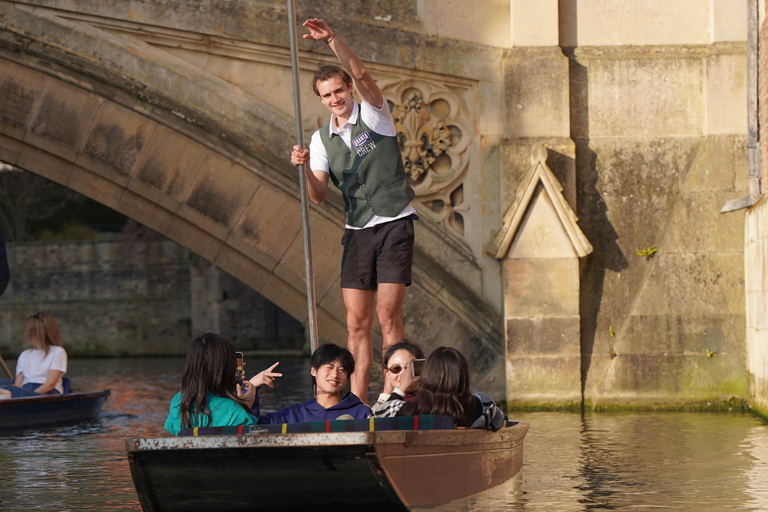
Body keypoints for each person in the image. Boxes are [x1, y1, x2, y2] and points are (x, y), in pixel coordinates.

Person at [290, 18, 417, 401]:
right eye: (327, 95)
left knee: (387, 317)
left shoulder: (375, 112)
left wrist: (332, 40)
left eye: (339, 91)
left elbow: (361, 71)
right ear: (321, 100)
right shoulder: (320, 137)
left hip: (394, 222)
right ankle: (359, 403)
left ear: (348, 89)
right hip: (358, 229)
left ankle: (395, 394)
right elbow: (316, 195)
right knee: (356, 323)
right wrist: (304, 167)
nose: (335, 100)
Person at [164, 333, 282, 436]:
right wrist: (247, 407)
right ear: (226, 369)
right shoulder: (234, 410)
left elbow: (174, 429)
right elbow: (250, 441)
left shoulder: (179, 401)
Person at [251, 343, 371, 424]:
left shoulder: (362, 414)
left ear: (347, 378)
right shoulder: (293, 416)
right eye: (329, 367)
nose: (335, 375)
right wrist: (251, 388)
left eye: (341, 370)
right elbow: (252, 428)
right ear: (314, 370)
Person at [396, 346, 507, 430]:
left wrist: (401, 388)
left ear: (427, 376)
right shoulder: (479, 407)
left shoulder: (410, 409)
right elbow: (501, 418)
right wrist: (461, 382)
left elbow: (380, 415)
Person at [0, 313, 68, 398]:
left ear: (37, 332)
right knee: (7, 390)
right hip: (25, 391)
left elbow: (49, 385)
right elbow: (18, 385)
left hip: (47, 393)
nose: (25, 334)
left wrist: (28, 396)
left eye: (28, 330)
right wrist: (21, 394)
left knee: (7, 392)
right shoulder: (24, 355)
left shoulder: (58, 352)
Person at [371, 339, 424, 414]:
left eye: (409, 368)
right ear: (387, 374)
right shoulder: (382, 405)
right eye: (396, 368)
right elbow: (378, 421)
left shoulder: (432, 399)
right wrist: (401, 389)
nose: (403, 374)